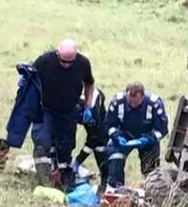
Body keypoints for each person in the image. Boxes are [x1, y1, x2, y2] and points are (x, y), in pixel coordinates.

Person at [30, 39, 95, 189]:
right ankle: (45, 182)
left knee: (66, 146)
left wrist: (88, 106)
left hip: (68, 110)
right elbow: (30, 79)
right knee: (42, 142)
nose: (66, 65)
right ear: (57, 53)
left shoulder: (83, 63)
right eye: (63, 61)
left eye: (70, 62)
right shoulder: (44, 61)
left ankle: (64, 179)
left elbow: (89, 84)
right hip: (45, 108)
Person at [104, 82, 168, 189]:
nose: (133, 105)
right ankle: (115, 189)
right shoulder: (117, 102)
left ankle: (151, 191)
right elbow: (108, 125)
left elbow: (162, 130)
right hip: (123, 135)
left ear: (143, 96)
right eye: (130, 103)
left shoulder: (154, 104)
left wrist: (147, 140)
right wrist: (116, 137)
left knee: (151, 168)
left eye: (136, 103)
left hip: (147, 137)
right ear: (126, 95)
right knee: (115, 156)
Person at [71, 87, 109, 189]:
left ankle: (106, 182)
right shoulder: (72, 102)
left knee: (100, 146)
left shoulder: (93, 111)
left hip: (98, 127)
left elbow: (94, 139)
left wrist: (78, 161)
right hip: (80, 106)